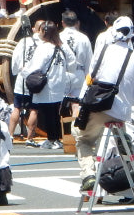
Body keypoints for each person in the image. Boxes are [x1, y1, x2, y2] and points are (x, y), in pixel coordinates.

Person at [72, 16, 134, 194]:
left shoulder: (102, 50)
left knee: (83, 139)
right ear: (132, 35)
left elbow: (90, 79)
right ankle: (133, 175)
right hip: (121, 112)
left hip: (97, 106)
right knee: (119, 141)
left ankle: (89, 175)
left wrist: (80, 104)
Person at [22, 21, 76, 149]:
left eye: (40, 30)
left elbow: (36, 66)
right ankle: (56, 138)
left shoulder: (44, 47)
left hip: (47, 85)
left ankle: (52, 139)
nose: (39, 32)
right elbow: (72, 62)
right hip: (59, 84)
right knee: (55, 112)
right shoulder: (62, 46)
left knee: (47, 113)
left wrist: (24, 71)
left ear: (45, 32)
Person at [8, 17, 41, 144]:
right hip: (36, 80)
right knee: (34, 109)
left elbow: (15, 58)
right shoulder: (44, 43)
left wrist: (15, 72)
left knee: (17, 108)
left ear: (34, 29)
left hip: (22, 78)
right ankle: (30, 138)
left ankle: (10, 135)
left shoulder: (24, 41)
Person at [60, 10, 93, 116]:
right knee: (76, 105)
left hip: (62, 73)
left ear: (63, 23)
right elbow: (89, 61)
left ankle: (59, 130)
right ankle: (75, 130)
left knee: (59, 104)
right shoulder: (84, 38)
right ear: (77, 23)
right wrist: (88, 78)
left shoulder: (58, 37)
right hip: (79, 73)